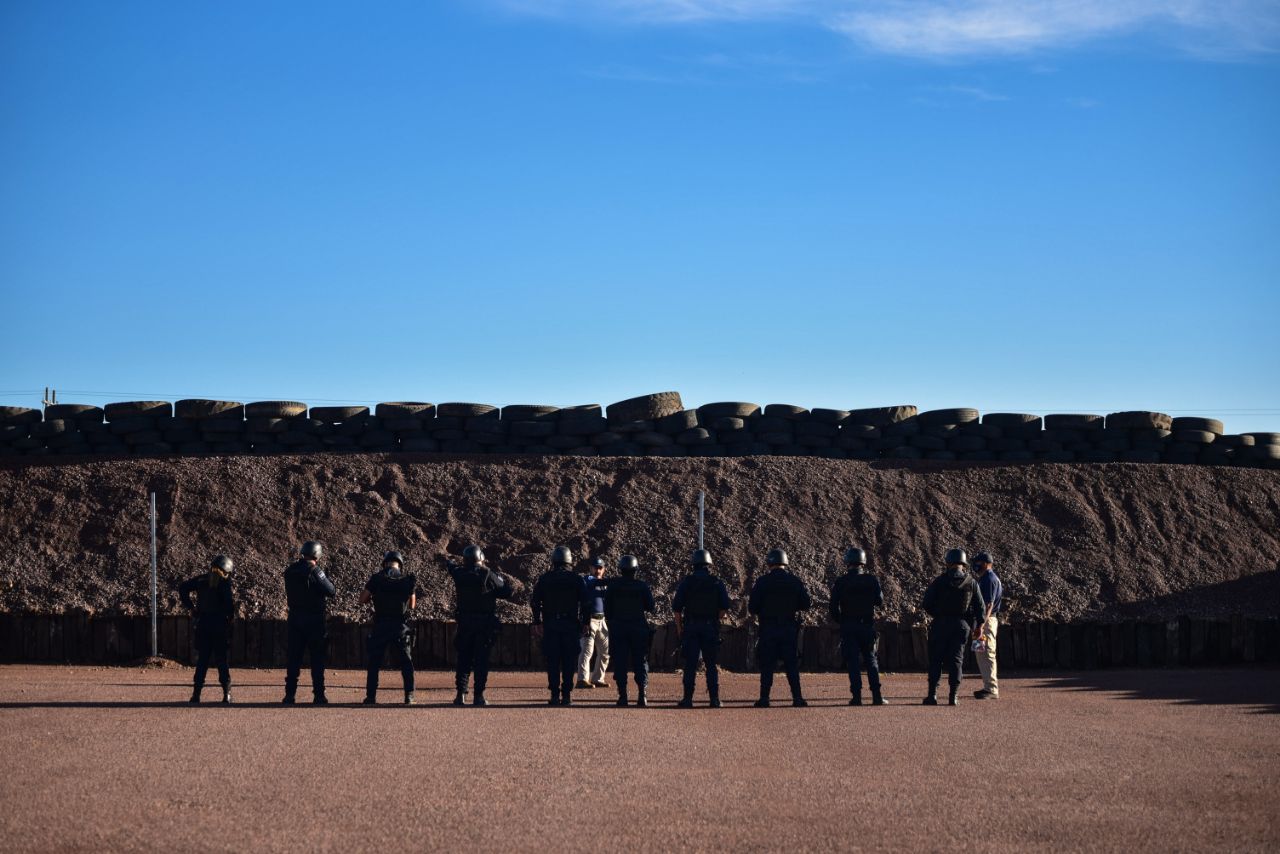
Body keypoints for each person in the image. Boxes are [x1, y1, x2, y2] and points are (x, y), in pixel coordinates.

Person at [446, 545, 515, 707]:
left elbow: (452, 568)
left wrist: (450, 562)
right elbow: (507, 591)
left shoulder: (459, 574)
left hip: (465, 623)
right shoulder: (488, 574)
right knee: (481, 660)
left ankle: (460, 695)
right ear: (480, 558)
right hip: (484, 625)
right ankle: (479, 696)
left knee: (463, 659)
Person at [748, 548, 812, 708]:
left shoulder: (762, 582)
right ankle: (797, 697)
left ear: (770, 562)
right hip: (789, 628)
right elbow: (806, 604)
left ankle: (764, 698)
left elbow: (752, 607)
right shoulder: (794, 581)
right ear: (785, 562)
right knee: (791, 664)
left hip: (768, 628)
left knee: (767, 664)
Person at [921, 548, 986, 706]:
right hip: (961, 625)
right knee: (957, 660)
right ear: (963, 563)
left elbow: (926, 603)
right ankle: (953, 696)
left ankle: (932, 695)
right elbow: (980, 608)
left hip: (941, 624)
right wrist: (978, 626)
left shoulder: (939, 581)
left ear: (948, 562)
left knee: (936, 660)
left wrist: (938, 614)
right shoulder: (971, 582)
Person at [671, 548, 731, 708]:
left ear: (694, 564)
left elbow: (677, 608)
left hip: (691, 627)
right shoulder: (716, 582)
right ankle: (714, 699)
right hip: (710, 627)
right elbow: (724, 607)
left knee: (690, 664)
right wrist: (714, 619)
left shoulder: (687, 582)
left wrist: (679, 628)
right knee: (711, 664)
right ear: (709, 563)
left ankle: (687, 699)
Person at [829, 547, 887, 706]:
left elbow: (833, 607)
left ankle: (856, 697)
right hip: (867, 625)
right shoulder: (871, 580)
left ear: (847, 562)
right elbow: (879, 601)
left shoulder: (841, 582)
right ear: (863, 562)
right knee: (871, 661)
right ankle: (876, 696)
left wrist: (842, 621)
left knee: (853, 662)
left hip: (849, 625)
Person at [530, 545, 587, 706]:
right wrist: (585, 622)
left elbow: (535, 602)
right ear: (569, 560)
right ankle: (567, 695)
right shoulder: (576, 579)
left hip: (551, 625)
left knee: (553, 660)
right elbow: (586, 603)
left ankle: (555, 695)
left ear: (553, 560)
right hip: (570, 625)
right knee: (569, 661)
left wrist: (537, 621)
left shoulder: (545, 578)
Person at [360, 550, 418, 705]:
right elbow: (412, 606)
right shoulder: (406, 579)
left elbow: (362, 599)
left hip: (381, 625)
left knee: (374, 662)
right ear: (400, 564)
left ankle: (371, 696)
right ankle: (409, 695)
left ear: (385, 563)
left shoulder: (377, 578)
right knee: (406, 662)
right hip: (399, 626)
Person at [282, 540, 336, 705]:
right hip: (314, 621)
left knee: (293, 659)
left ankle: (289, 695)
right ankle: (319, 695)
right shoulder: (315, 571)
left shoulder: (290, 570)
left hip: (295, 619)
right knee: (317, 660)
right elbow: (331, 591)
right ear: (317, 555)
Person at [179, 555, 236, 704]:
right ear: (226, 569)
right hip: (219, 625)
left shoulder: (201, 580)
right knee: (221, 660)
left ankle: (196, 695)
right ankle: (227, 694)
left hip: (203, 624)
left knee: (202, 660)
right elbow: (229, 604)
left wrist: (191, 607)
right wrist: (230, 618)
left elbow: (182, 588)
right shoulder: (224, 582)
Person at [603, 554, 656, 707]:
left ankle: (623, 696)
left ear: (621, 569)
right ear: (635, 569)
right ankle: (642, 695)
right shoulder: (642, 586)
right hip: (638, 627)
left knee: (620, 661)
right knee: (640, 661)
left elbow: (607, 610)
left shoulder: (613, 586)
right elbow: (650, 606)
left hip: (619, 628)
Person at [575, 557, 611, 690]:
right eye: (595, 567)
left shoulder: (604, 584)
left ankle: (598, 678)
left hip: (602, 620)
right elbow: (594, 583)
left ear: (604, 569)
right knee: (586, 651)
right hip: (589, 620)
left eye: (600, 567)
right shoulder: (587, 580)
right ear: (590, 568)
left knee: (605, 652)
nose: (598, 570)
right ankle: (582, 679)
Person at [972, 552, 1003, 700]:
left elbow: (988, 604)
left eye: (978, 562)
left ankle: (992, 688)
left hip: (987, 621)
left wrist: (981, 624)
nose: (975, 565)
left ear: (985, 563)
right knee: (980, 653)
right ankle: (987, 686)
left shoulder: (989, 579)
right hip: (983, 621)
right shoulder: (984, 579)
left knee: (988, 653)